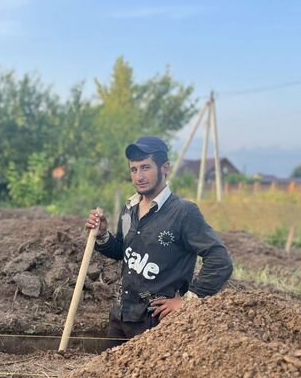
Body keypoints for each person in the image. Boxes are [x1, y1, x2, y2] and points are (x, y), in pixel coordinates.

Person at [86, 136, 233, 345]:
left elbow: (220, 260)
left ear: (165, 168)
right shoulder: (129, 209)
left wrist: (188, 301)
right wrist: (102, 236)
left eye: (145, 167)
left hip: (157, 323)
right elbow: (123, 251)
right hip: (121, 316)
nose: (138, 176)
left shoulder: (183, 212)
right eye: (134, 169)